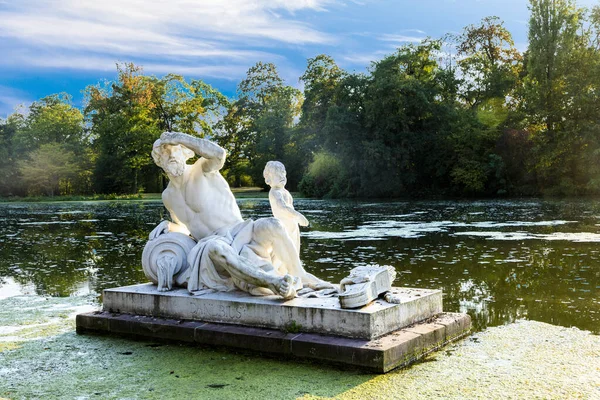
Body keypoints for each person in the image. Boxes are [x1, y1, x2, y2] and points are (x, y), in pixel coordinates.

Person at [149, 131, 329, 299]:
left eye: (175, 150)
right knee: (215, 248)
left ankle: (301, 275)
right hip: (214, 244)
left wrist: (179, 137)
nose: (171, 156)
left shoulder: (202, 169)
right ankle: (273, 282)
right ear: (159, 161)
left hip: (242, 230)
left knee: (272, 224)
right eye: (165, 154)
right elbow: (185, 227)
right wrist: (169, 226)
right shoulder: (168, 196)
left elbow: (219, 153)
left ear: (184, 152)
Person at [263, 161, 308, 256]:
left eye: (283, 174)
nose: (282, 177)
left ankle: (292, 269)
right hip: (283, 225)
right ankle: (280, 269)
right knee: (285, 252)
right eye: (277, 175)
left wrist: (296, 218)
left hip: (292, 224)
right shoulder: (275, 192)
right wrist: (298, 215)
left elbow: (290, 206)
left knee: (295, 250)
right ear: (268, 179)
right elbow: (282, 207)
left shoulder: (284, 191)